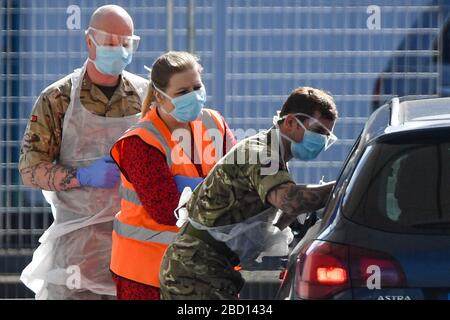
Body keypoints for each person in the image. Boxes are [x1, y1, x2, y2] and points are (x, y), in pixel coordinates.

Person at [19, 5, 148, 300]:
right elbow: (30, 169)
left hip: (133, 241)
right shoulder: (58, 98)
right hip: (79, 245)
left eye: (126, 42)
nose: (119, 49)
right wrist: (83, 176)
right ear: (89, 40)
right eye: (111, 42)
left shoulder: (145, 96)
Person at [160, 87, 339, 300]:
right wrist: (344, 184)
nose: (321, 141)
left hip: (206, 267)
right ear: (290, 123)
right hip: (195, 270)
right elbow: (291, 202)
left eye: (326, 135)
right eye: (317, 131)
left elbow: (272, 217)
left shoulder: (274, 157)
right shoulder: (263, 154)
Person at [109, 51, 237, 300]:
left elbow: (239, 180)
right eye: (182, 92)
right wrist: (220, 195)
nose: (193, 96)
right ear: (159, 95)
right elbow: (166, 210)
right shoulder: (141, 141)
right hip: (148, 274)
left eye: (197, 87)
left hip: (206, 268)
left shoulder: (214, 123)